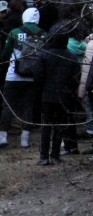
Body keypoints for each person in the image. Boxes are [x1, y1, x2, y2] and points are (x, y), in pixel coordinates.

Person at [0, 7, 44, 148]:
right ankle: (25, 138)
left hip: (13, 75)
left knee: (8, 105)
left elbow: (5, 53)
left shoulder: (15, 32)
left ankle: (3, 136)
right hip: (32, 76)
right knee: (28, 106)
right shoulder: (43, 34)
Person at [32, 33, 80, 165]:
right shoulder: (72, 57)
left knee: (46, 126)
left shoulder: (44, 55)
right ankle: (55, 155)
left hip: (47, 95)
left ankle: (43, 156)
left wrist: (38, 92)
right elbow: (76, 78)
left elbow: (38, 75)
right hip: (64, 96)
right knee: (60, 126)